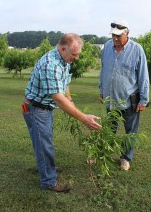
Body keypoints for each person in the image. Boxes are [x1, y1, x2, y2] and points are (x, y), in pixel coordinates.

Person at [22, 33, 102, 193]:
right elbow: (58, 98)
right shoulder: (50, 64)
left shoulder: (63, 59)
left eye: (78, 54)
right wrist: (83, 118)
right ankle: (49, 181)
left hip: (42, 108)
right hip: (36, 109)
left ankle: (44, 167)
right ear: (63, 48)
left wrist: (70, 99)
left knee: (43, 142)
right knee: (45, 145)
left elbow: (63, 83)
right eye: (74, 54)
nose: (76, 58)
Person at [99, 20, 149, 171]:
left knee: (130, 132)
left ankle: (125, 158)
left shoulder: (137, 50)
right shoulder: (107, 47)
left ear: (127, 33)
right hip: (111, 99)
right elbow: (103, 70)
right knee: (109, 130)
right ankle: (104, 154)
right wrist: (102, 89)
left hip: (129, 100)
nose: (115, 39)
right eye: (113, 35)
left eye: (118, 36)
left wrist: (144, 100)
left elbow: (143, 76)